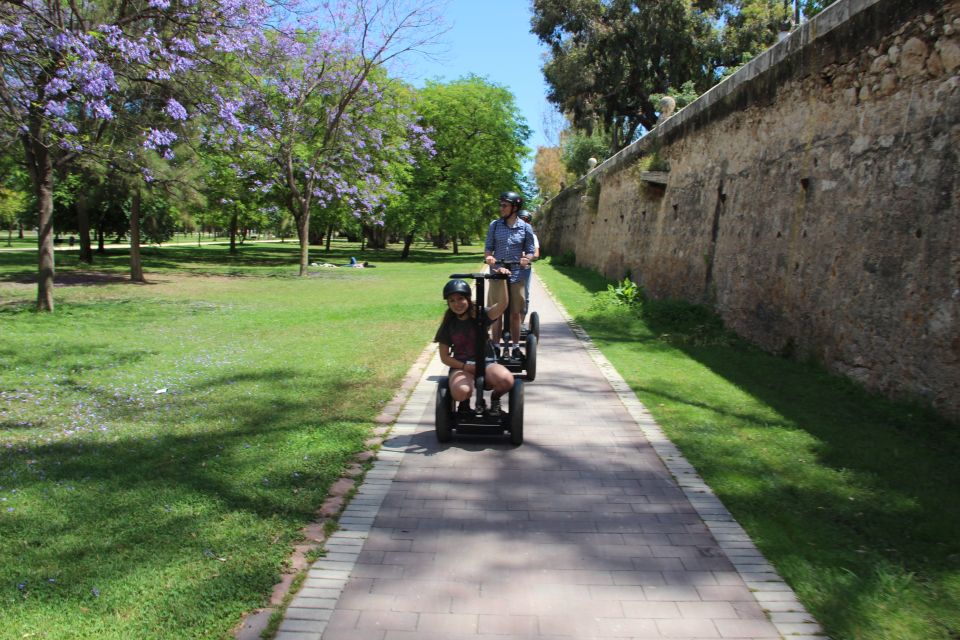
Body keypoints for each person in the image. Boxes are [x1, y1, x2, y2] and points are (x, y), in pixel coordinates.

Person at [434, 276, 515, 415]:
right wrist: (466, 367)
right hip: (462, 365)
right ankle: (464, 404)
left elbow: (502, 305)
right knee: (462, 391)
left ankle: (495, 400)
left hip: (487, 362)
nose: (456, 304)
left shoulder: (480, 315)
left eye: (460, 299)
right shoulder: (449, 324)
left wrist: (502, 280)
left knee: (506, 380)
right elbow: (444, 357)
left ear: (468, 299)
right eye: (452, 300)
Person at [484, 192, 535, 359]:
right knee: (496, 313)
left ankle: (514, 347)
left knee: (514, 313)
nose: (501, 208)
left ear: (514, 208)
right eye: (501, 205)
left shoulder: (525, 227)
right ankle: (496, 346)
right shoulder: (495, 225)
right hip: (497, 274)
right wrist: (489, 258)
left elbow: (530, 251)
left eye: (504, 205)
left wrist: (526, 259)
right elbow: (488, 248)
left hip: (516, 275)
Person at [517, 211, 540, 323]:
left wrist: (526, 258)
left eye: (527, 220)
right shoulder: (511, 233)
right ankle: (508, 322)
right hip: (511, 268)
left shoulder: (532, 236)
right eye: (522, 219)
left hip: (525, 270)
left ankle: (520, 323)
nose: (525, 222)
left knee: (524, 296)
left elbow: (536, 254)